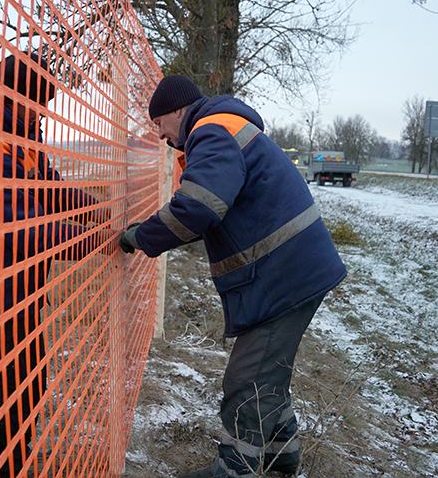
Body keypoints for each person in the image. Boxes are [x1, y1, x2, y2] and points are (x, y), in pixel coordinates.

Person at [119, 75, 347, 477]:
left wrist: (140, 236)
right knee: (267, 373)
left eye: (159, 122)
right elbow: (208, 209)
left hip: (285, 274)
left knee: (247, 378)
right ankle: (282, 457)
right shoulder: (222, 127)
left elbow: (199, 208)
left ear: (176, 110)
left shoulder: (211, 131)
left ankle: (236, 467)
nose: (158, 133)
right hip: (292, 268)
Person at [0, 51, 102, 477]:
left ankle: (21, 459)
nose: (41, 117)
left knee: (30, 387)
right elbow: (26, 230)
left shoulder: (19, 136)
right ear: (12, 97)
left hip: (22, 289)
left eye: (44, 108)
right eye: (36, 106)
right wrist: (99, 239)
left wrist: (96, 211)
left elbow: (50, 191)